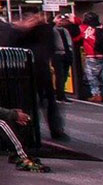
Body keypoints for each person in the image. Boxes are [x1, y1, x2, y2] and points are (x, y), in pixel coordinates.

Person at [11, 11, 67, 141]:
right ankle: (50, 129)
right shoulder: (39, 31)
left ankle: (39, 130)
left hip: (34, 69)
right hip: (36, 69)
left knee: (39, 101)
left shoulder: (40, 30)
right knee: (43, 101)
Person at [78, 13, 103, 101]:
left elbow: (76, 38)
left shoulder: (85, 28)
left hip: (93, 56)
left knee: (92, 76)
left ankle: (96, 94)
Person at [50, 15, 76, 102]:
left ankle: (62, 93)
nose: (61, 22)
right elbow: (47, 30)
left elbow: (76, 32)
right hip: (58, 54)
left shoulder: (66, 30)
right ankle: (60, 95)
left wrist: (72, 21)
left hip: (67, 54)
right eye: (59, 20)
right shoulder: (52, 30)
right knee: (59, 75)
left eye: (62, 20)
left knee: (65, 75)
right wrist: (52, 22)